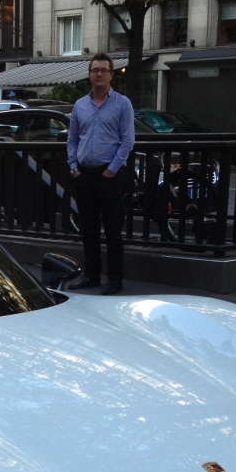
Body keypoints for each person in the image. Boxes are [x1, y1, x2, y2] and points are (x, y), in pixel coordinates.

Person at [66, 52, 135, 295]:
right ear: (89, 74)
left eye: (103, 70)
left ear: (111, 75)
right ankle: (91, 275)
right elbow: (72, 139)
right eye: (95, 70)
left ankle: (115, 278)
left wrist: (111, 170)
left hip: (109, 176)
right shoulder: (80, 105)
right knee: (88, 230)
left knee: (114, 230)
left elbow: (127, 140)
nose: (98, 74)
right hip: (84, 176)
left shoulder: (122, 104)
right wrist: (74, 167)